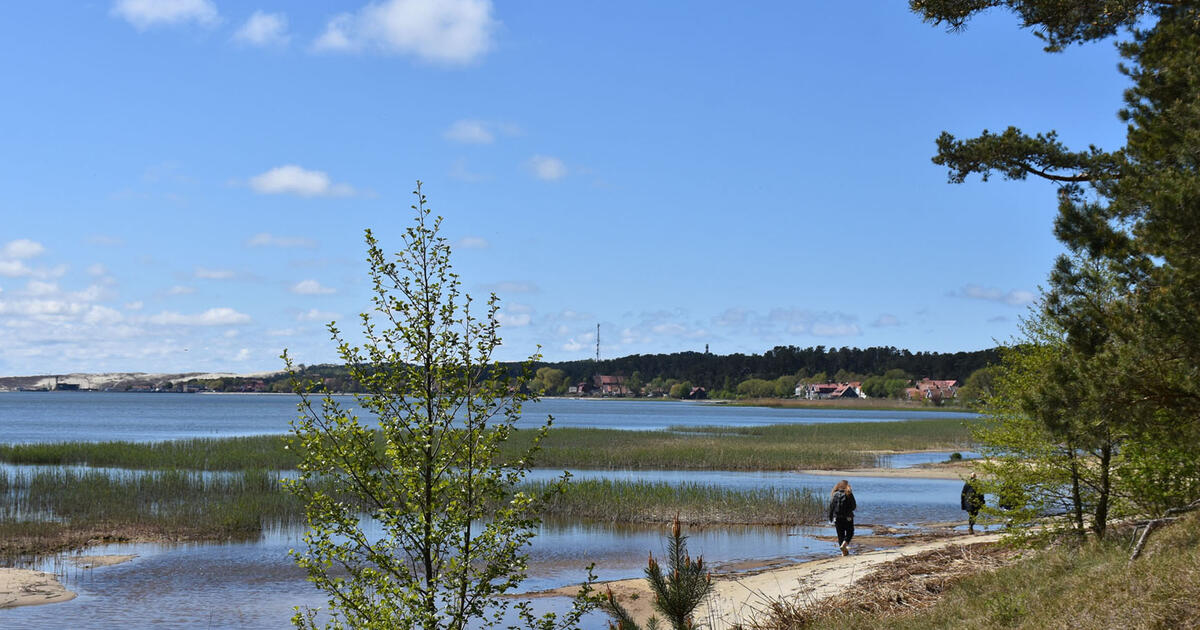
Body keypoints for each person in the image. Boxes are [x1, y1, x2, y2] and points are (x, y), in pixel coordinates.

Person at [827, 479, 856, 556]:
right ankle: (844, 545)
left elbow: (831, 507)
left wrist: (830, 517)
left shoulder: (834, 494)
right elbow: (854, 506)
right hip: (848, 517)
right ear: (847, 486)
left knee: (840, 535)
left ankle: (843, 552)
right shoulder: (849, 493)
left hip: (837, 518)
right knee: (850, 532)